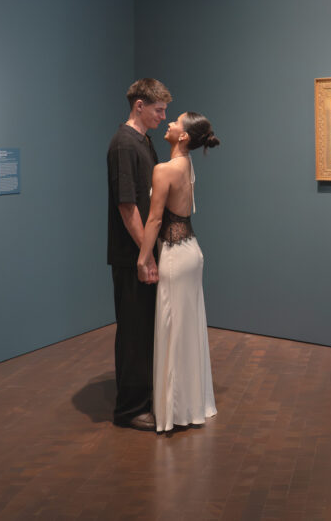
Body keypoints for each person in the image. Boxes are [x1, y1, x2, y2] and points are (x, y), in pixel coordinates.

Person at [137, 112, 220, 432]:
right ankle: (193, 403)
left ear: (183, 136)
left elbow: (155, 220)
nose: (169, 123)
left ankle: (174, 411)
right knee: (189, 330)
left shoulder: (165, 170)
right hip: (192, 252)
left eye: (176, 122)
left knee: (173, 331)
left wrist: (143, 259)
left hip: (173, 255)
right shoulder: (187, 165)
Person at [107, 78, 172, 431]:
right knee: (133, 332)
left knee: (145, 330)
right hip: (131, 254)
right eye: (159, 110)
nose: (163, 117)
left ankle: (144, 398)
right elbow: (127, 205)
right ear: (139, 106)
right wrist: (144, 255)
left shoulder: (143, 142)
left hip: (145, 251)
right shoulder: (123, 145)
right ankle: (129, 409)